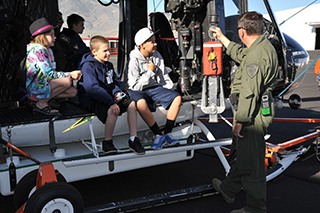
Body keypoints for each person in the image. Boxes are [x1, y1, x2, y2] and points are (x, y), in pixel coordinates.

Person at [210, 12, 278, 213]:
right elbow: (241, 54)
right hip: (254, 110)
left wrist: (240, 120)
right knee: (244, 156)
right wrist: (222, 38)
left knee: (252, 165)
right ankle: (228, 189)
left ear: (242, 31)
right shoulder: (262, 47)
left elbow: (249, 92)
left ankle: (255, 207)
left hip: (251, 114)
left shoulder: (257, 55)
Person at [77, 35, 145, 155]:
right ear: (94, 52)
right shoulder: (88, 66)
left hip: (107, 96)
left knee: (131, 104)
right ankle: (107, 142)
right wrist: (111, 102)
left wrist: (117, 92)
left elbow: (113, 82)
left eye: (109, 50)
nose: (109, 53)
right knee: (112, 110)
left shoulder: (108, 65)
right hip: (92, 98)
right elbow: (92, 88)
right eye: (105, 51)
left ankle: (133, 139)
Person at [126, 27, 182, 150]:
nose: (155, 44)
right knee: (140, 103)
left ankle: (167, 133)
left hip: (154, 88)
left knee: (177, 98)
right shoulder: (133, 58)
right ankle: (158, 133)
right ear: (142, 45)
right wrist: (150, 73)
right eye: (152, 42)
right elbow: (134, 86)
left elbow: (164, 78)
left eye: (155, 41)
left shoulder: (156, 55)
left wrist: (168, 92)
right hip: (138, 89)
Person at [26, 17, 82, 115]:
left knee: (72, 92)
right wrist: (70, 74)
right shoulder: (39, 51)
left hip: (43, 85)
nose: (55, 37)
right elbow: (49, 74)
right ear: (42, 37)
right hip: (35, 88)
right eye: (51, 35)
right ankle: (41, 103)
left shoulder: (48, 50)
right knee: (67, 81)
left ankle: (43, 101)